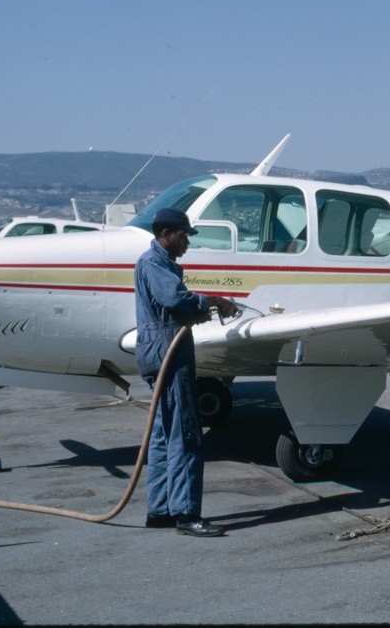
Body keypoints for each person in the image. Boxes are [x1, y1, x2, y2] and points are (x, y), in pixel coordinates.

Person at [134, 207, 239, 537]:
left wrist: (194, 312)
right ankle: (186, 513)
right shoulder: (153, 263)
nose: (187, 242)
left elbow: (171, 306)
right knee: (186, 432)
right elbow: (173, 297)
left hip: (159, 348)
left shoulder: (156, 263)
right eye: (183, 235)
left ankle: (161, 509)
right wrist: (214, 301)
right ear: (166, 234)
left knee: (165, 434)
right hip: (168, 352)